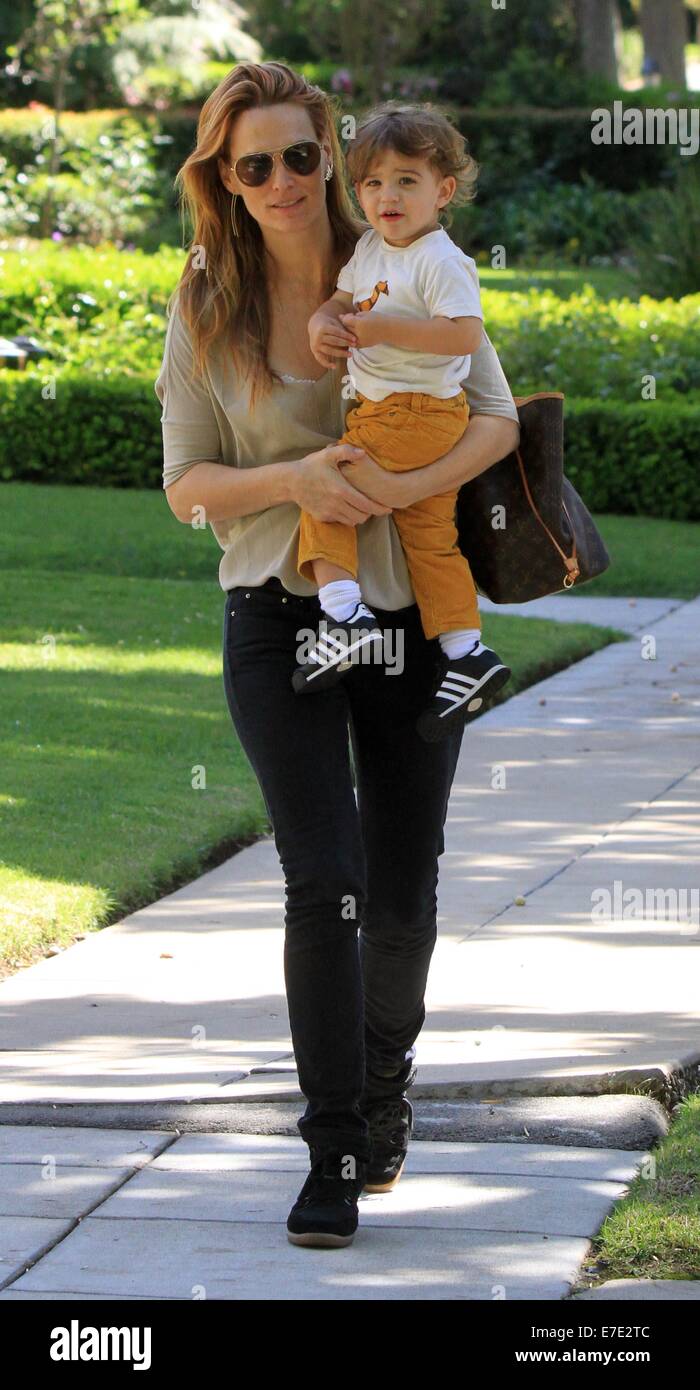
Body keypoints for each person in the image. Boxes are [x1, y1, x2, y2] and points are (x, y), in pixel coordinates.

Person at [155, 60, 520, 1249]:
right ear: (225, 177)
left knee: (404, 884)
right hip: (277, 616)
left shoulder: (405, 260)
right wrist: (299, 480)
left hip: (411, 612)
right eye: (248, 164)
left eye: (300, 156)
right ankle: (332, 1144)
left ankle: (385, 1083)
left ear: (334, 154)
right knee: (327, 877)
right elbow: (186, 482)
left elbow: (499, 419)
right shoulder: (207, 294)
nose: (280, 182)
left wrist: (396, 488)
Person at [292, 103, 511, 744]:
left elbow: (466, 335)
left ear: (443, 191)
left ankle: (343, 617)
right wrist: (321, 322)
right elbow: (340, 299)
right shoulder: (369, 250)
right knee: (430, 539)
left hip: (414, 411)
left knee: (324, 484)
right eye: (373, 183)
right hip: (415, 418)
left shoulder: (437, 260)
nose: (387, 196)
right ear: (358, 193)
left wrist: (383, 329)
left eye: (407, 181)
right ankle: (466, 652)